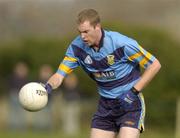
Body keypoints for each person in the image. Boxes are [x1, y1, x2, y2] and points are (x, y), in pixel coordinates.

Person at [43, 9, 161, 138]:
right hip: (105, 105)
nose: (82, 36)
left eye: (86, 32)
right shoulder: (76, 48)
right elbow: (59, 75)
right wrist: (47, 87)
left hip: (130, 104)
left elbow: (154, 65)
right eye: (80, 32)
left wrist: (133, 92)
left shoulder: (121, 43)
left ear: (97, 27)